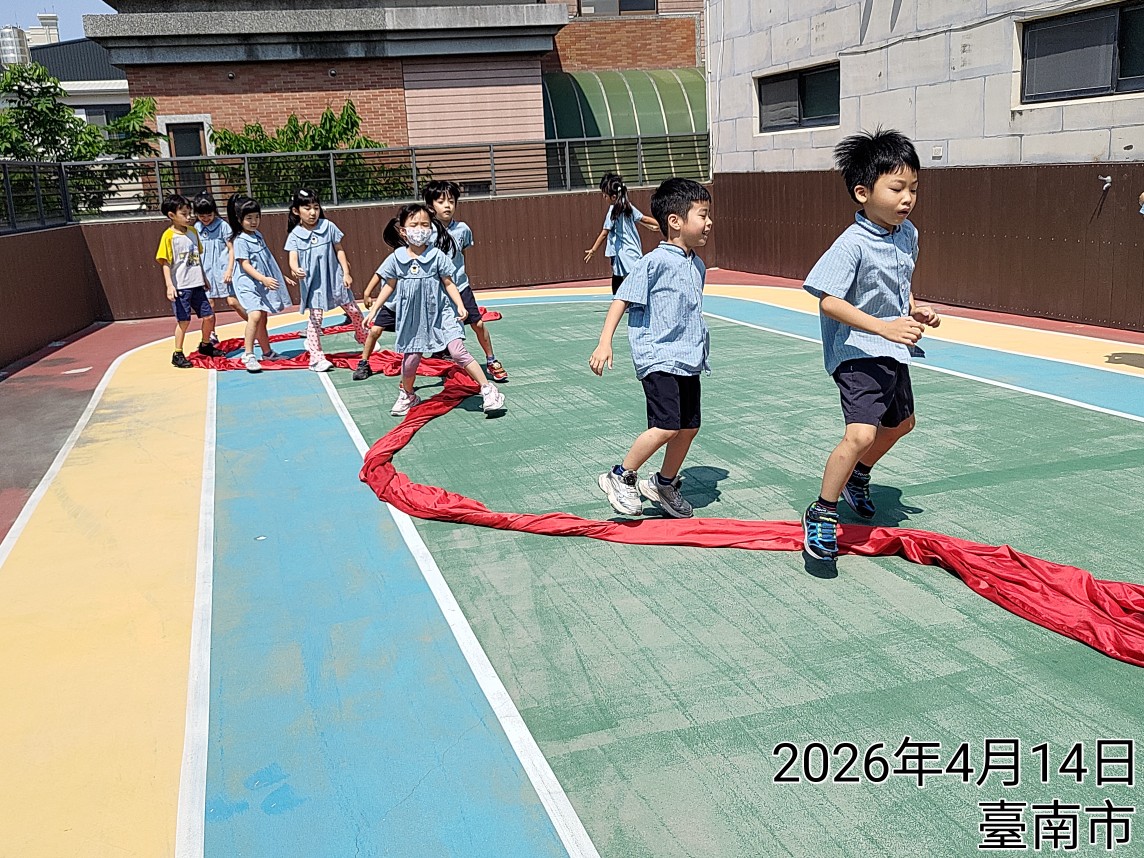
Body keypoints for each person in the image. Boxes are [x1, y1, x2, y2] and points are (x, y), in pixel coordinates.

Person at [800, 128, 941, 561]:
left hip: (892, 348)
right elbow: (829, 301)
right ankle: (822, 511)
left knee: (902, 424)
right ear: (863, 193)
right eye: (897, 188)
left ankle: (859, 476)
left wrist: (914, 308)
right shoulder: (851, 244)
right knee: (861, 433)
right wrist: (883, 328)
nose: (907, 198)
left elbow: (898, 285)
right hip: (857, 351)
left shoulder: (907, 233)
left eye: (913, 188)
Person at [589, 178, 712, 519]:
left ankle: (664, 483)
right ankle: (620, 475)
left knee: (688, 427)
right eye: (702, 214)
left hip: (688, 358)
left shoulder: (697, 265)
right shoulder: (653, 262)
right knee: (667, 425)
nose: (709, 222)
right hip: (658, 356)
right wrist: (604, 341)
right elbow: (622, 299)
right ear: (675, 221)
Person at [361, 203, 507, 417]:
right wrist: (374, 310)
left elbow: (449, 283)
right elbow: (389, 285)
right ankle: (408, 394)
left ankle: (488, 389)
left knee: (457, 351)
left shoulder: (437, 256)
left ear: (431, 229)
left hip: (441, 314)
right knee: (411, 361)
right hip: (413, 318)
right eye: (414, 225)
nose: (419, 229)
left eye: (424, 225)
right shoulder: (396, 258)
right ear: (402, 231)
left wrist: (459, 304)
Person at [423, 179, 508, 382]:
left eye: (451, 201)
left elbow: (461, 255)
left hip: (461, 287)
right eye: (441, 202)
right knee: (432, 329)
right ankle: (439, 354)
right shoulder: (426, 232)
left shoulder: (462, 229)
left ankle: (491, 359)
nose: (447, 206)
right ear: (430, 206)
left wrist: (460, 277)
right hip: (436, 292)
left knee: (477, 323)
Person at [284, 187, 368, 372]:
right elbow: (292, 259)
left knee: (353, 310)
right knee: (316, 319)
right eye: (307, 208)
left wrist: (346, 272)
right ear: (296, 211)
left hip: (335, 278)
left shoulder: (328, 226)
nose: (312, 212)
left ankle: (362, 336)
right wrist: (295, 269)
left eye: (316, 207)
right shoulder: (295, 235)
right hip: (314, 284)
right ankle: (316, 357)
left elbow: (339, 250)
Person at [227, 193, 295, 373]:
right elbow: (245, 265)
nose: (254, 221)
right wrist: (263, 279)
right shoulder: (240, 240)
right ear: (239, 219)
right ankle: (248, 354)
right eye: (249, 218)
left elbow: (267, 260)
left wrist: (280, 276)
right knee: (255, 315)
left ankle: (267, 352)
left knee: (262, 319)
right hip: (247, 284)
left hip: (260, 284)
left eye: (257, 217)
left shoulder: (257, 235)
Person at [156, 193, 223, 368]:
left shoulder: (193, 232)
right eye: (184, 214)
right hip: (181, 287)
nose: (189, 217)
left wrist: (204, 277)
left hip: (197, 284)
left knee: (208, 316)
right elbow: (165, 263)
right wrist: (169, 285)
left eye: (189, 213)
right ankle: (177, 353)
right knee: (184, 321)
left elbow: (196, 258)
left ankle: (205, 344)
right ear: (172, 215)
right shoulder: (168, 236)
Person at [584, 172, 661, 295]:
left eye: (605, 195)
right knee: (622, 275)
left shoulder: (613, 211)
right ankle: (625, 298)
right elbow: (643, 218)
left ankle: (627, 298)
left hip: (624, 251)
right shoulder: (626, 205)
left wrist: (593, 250)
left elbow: (604, 233)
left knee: (629, 276)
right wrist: (659, 224)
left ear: (613, 197)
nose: (604, 197)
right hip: (631, 248)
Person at [193, 193, 245, 342]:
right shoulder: (196, 228)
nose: (206, 219)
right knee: (209, 303)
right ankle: (211, 334)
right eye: (202, 216)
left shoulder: (223, 226)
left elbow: (231, 248)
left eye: (209, 215)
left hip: (223, 270)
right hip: (206, 272)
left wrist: (229, 269)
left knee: (232, 301)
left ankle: (255, 325)